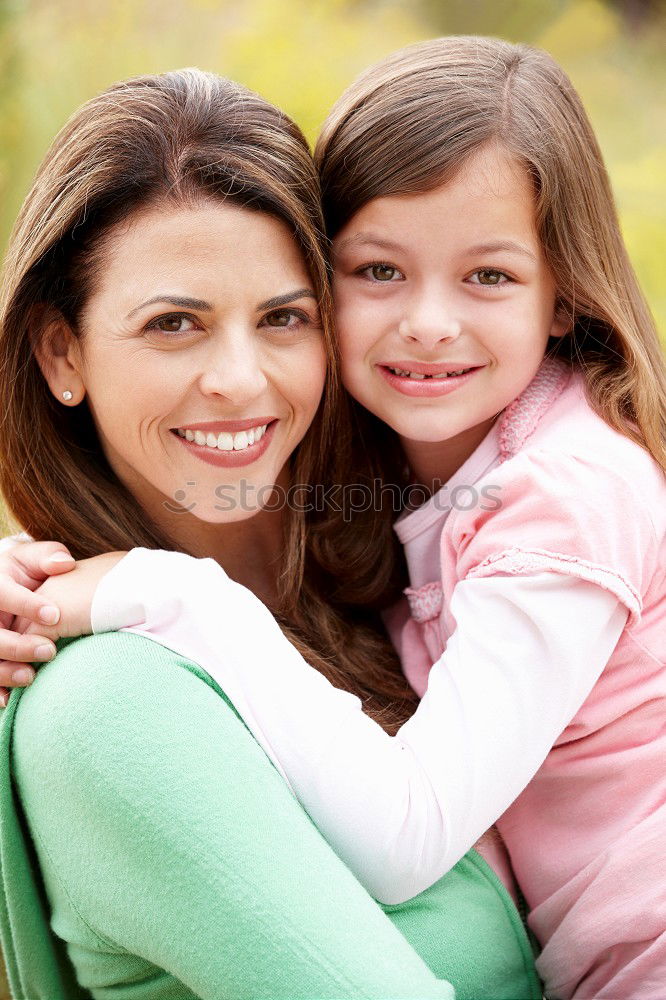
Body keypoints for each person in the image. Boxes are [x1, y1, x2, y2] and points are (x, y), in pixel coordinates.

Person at [6, 37, 663, 999]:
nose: (239, 380)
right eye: (173, 322)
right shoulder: (115, 697)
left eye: (283, 317)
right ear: (61, 354)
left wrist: (157, 587)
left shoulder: (448, 520)